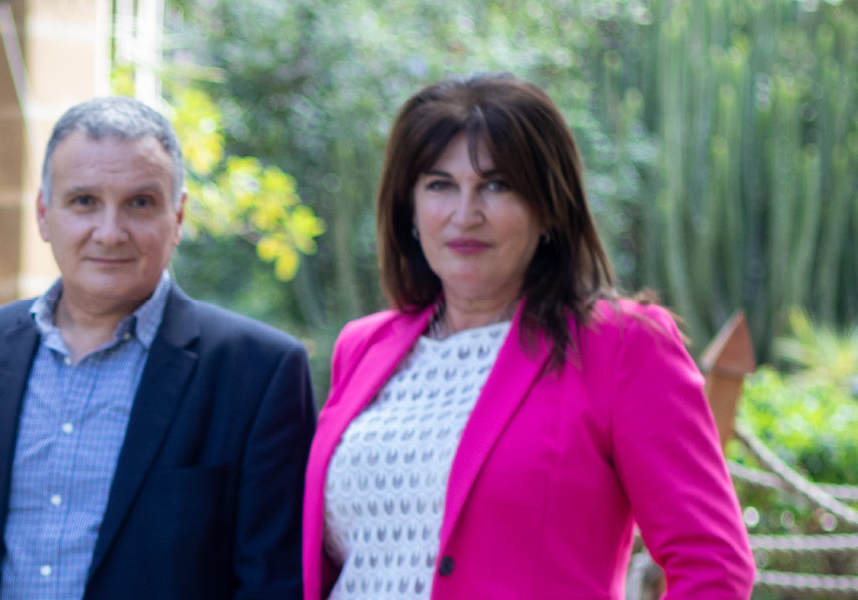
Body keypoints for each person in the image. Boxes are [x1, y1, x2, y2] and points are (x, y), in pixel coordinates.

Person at [303, 73, 755, 599]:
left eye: (497, 185)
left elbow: (713, 566)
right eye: (439, 184)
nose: (464, 214)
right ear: (410, 208)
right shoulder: (362, 347)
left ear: (547, 209)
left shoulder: (622, 345)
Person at [0, 96, 316, 600]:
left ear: (178, 216)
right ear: (44, 214)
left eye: (140, 203)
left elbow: (273, 583)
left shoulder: (258, 372)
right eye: (84, 201)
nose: (110, 233)